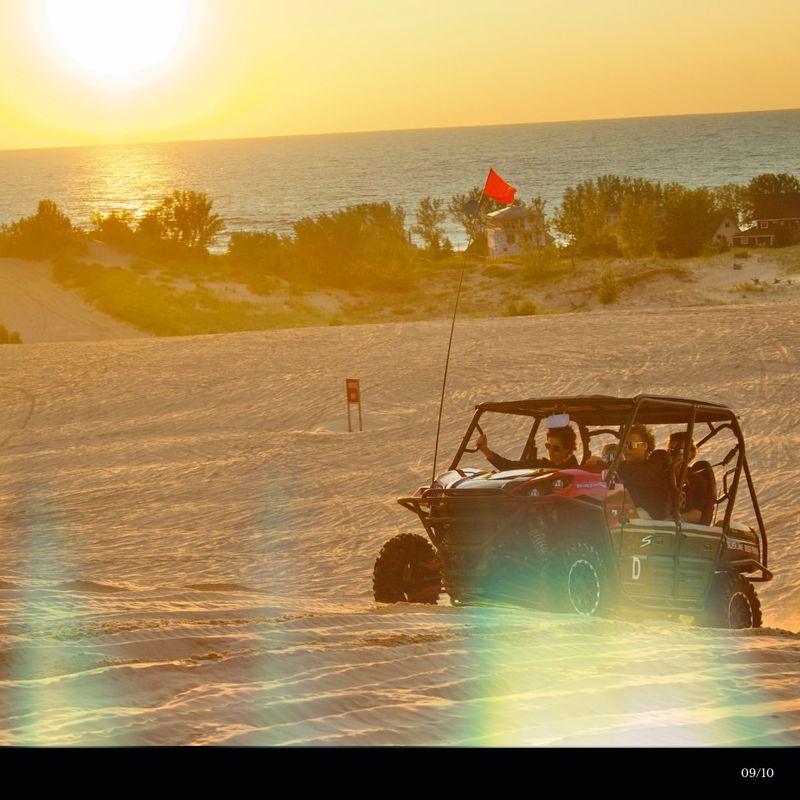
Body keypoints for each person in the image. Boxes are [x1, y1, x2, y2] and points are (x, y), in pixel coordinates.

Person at [476, 424, 579, 470]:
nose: (550, 452)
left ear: (567, 450)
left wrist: (595, 462)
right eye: (548, 446)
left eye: (556, 449)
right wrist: (485, 450)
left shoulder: (577, 470)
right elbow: (509, 466)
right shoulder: (540, 465)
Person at [667, 431, 714, 524]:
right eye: (671, 451)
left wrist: (670, 521)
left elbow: (696, 515)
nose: (675, 455)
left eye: (680, 451)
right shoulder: (663, 476)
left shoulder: (696, 481)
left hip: (682, 529)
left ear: (691, 454)